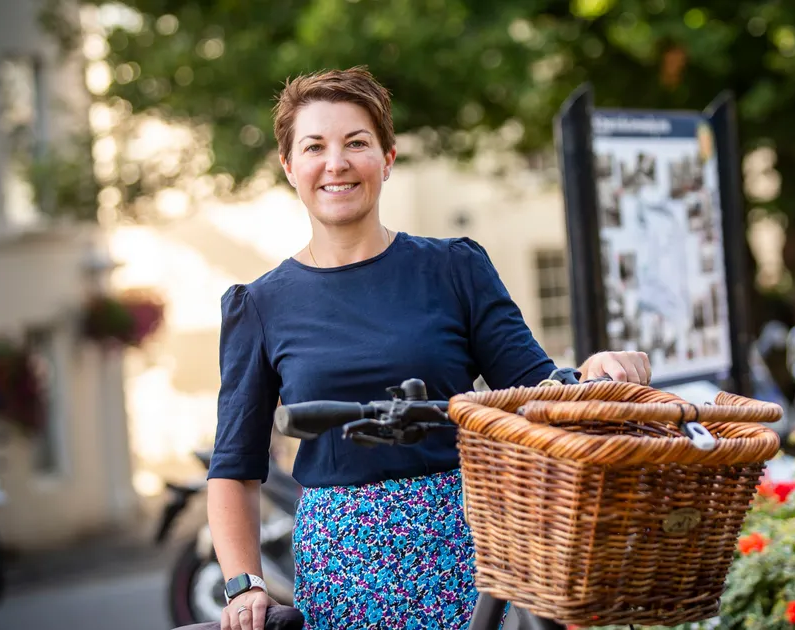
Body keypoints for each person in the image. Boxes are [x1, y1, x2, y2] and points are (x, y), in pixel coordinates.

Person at [205, 66, 652, 630]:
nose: (336, 163)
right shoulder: (259, 306)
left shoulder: (455, 268)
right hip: (342, 570)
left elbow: (536, 391)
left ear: (388, 159)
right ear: (290, 166)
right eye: (314, 146)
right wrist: (245, 585)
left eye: (357, 143)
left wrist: (591, 371)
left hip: (470, 548)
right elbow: (234, 468)